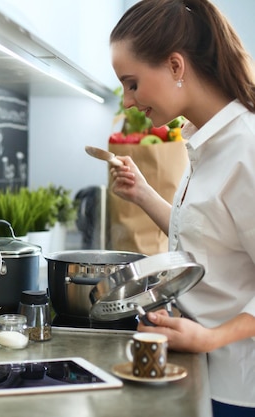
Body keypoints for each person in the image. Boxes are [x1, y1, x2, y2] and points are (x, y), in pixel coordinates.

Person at [108, 0, 255, 415]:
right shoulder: (206, 140)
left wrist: (209, 338)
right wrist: (142, 193)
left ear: (175, 66)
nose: (128, 101)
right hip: (203, 372)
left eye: (132, 83)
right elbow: (210, 241)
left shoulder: (246, 148)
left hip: (239, 388)